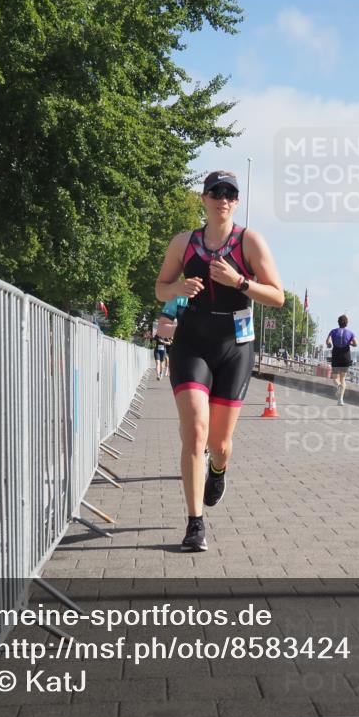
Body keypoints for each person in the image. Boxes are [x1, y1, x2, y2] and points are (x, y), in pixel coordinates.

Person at [155, 170, 284, 552]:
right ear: (204, 199)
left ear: (237, 201)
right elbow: (160, 287)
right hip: (192, 342)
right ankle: (195, 523)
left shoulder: (249, 242)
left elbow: (277, 296)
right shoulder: (184, 243)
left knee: (220, 443)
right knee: (195, 431)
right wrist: (177, 288)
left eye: (230, 193)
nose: (222, 199)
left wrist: (240, 282)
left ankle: (218, 468)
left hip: (234, 347)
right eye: (215, 192)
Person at [326, 315, 357, 405]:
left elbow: (328, 342)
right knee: (343, 378)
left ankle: (338, 386)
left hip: (336, 355)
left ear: (338, 322)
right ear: (346, 323)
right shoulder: (350, 333)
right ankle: (341, 400)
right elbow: (356, 344)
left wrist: (329, 344)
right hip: (345, 356)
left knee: (335, 378)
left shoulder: (333, 331)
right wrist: (349, 343)